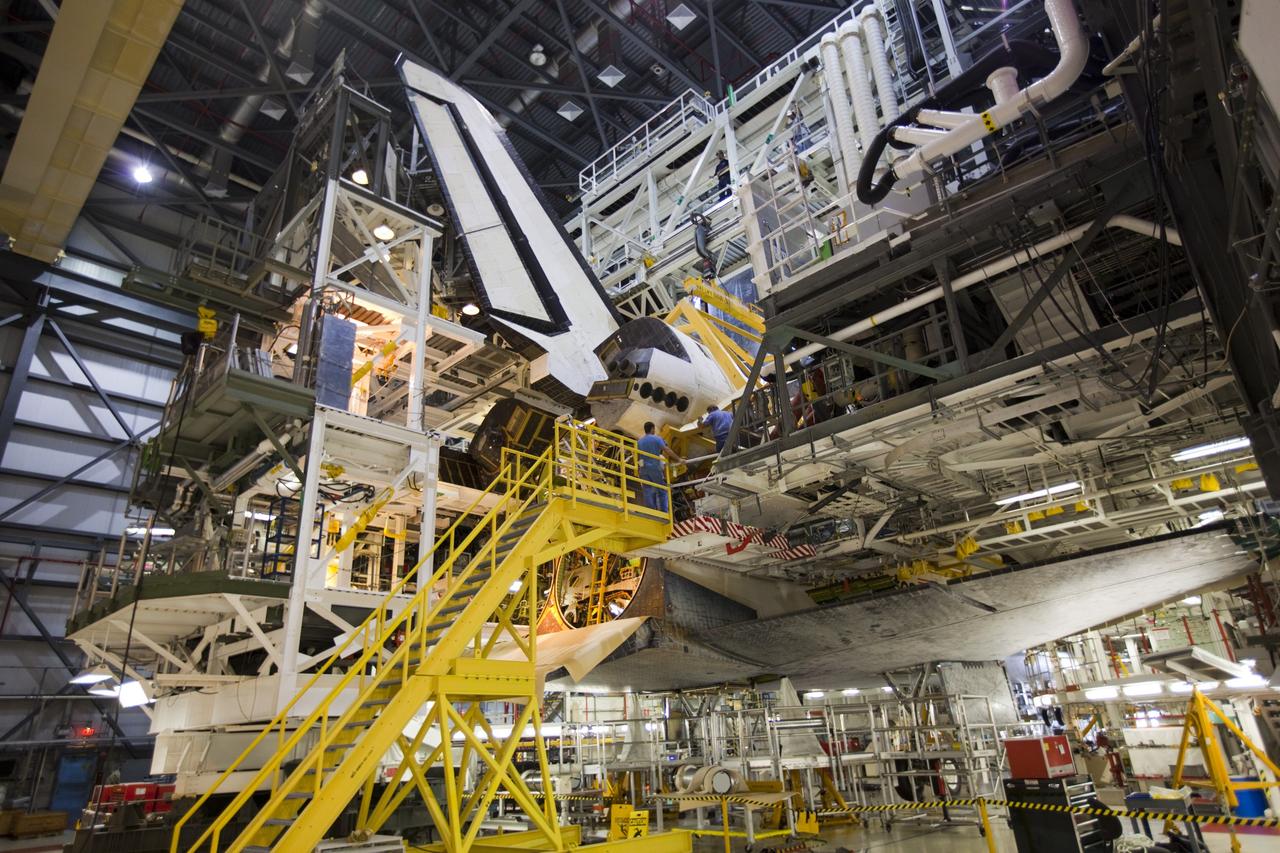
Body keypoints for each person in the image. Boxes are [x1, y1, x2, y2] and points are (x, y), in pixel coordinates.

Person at [636, 422, 681, 513]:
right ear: (652, 429)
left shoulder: (639, 442)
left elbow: (638, 456)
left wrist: (639, 469)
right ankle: (664, 512)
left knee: (648, 490)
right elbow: (667, 449)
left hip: (643, 469)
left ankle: (652, 511)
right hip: (654, 468)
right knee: (662, 490)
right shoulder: (657, 439)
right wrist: (679, 459)